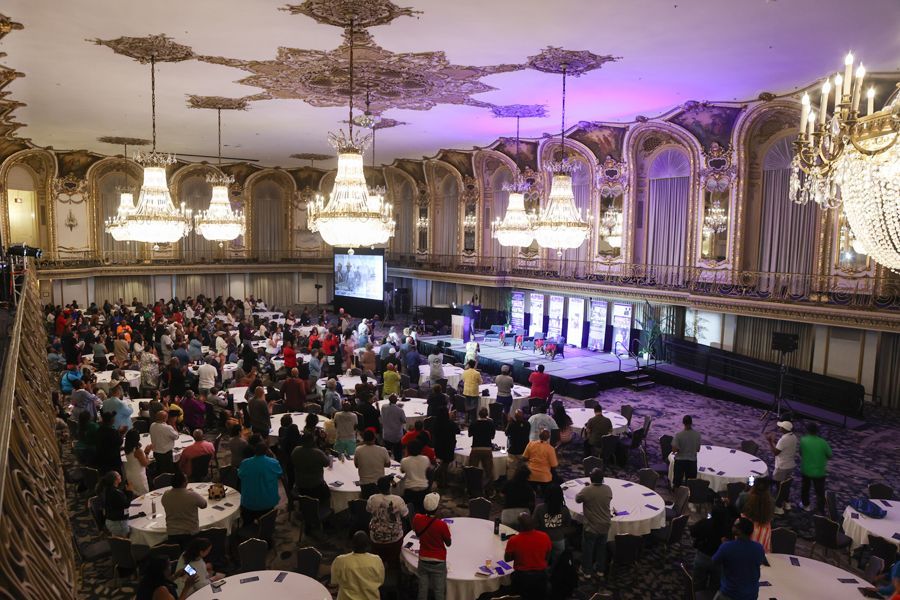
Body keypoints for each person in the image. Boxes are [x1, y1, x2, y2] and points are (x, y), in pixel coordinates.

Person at [711, 517, 765, 600]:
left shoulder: (727, 547)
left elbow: (714, 562)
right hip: (751, 595)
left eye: (735, 525)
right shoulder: (759, 547)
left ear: (739, 531)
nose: (732, 526)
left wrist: (723, 547)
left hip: (729, 594)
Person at [575, 468, 612, 580]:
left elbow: (577, 499)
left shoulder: (587, 490)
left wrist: (586, 488)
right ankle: (600, 570)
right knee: (602, 548)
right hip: (605, 524)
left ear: (591, 478)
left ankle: (587, 572)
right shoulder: (608, 489)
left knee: (588, 549)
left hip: (591, 526)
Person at [504, 512, 552, 600]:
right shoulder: (545, 536)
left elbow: (507, 559)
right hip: (541, 576)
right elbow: (548, 556)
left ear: (519, 526)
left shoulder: (514, 540)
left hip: (521, 577)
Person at [690, 495, 733, 591]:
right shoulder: (729, 529)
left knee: (697, 584)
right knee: (715, 586)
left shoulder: (705, 523)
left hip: (703, 556)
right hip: (720, 560)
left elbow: (693, 532)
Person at [413, 492, 452, 600]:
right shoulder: (441, 525)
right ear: (437, 507)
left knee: (422, 589)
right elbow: (448, 543)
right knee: (439, 591)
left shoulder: (417, 518)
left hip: (423, 559)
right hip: (438, 561)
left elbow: (417, 534)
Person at [366, 475, 409, 568]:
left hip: (376, 538)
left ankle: (379, 563)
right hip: (394, 539)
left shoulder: (372, 499)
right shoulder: (398, 500)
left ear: (378, 487)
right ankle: (394, 563)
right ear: (389, 486)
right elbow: (405, 515)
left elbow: (368, 511)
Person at [332, 531, 386, 600]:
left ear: (352, 544)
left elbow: (335, 582)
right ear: (367, 545)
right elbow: (381, 581)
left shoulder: (340, 560)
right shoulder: (377, 560)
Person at [237, 442, 282, 524]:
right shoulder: (274, 462)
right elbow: (279, 475)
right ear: (266, 451)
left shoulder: (245, 463)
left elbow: (240, 476)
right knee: (267, 525)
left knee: (247, 524)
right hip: (267, 503)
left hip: (248, 503)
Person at [161, 469, 208, 548]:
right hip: (190, 534)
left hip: (172, 534)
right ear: (183, 483)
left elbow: (164, 504)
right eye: (186, 480)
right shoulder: (192, 495)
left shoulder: (166, 494)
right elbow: (204, 505)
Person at [533, 485, 571, 568]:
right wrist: (560, 531)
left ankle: (544, 574)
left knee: (542, 561)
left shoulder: (539, 508)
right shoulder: (564, 509)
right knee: (557, 563)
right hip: (559, 539)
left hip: (543, 539)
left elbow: (534, 524)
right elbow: (568, 524)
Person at [799, 421, 831, 513]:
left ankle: (806, 505)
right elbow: (830, 455)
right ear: (817, 431)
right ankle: (821, 510)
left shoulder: (803, 440)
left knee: (805, 488)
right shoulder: (823, 442)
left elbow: (800, 453)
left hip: (806, 470)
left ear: (807, 430)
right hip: (820, 472)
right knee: (820, 492)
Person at [291, 433, 332, 505]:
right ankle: (324, 507)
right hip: (316, 486)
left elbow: (292, 461)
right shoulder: (317, 453)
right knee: (329, 493)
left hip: (300, 484)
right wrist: (327, 455)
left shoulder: (296, 450)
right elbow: (327, 463)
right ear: (313, 441)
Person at [766, 420, 797, 514]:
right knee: (785, 485)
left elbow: (776, 452)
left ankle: (778, 507)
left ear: (784, 429)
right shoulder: (793, 437)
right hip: (790, 465)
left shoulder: (783, 440)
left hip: (782, 467)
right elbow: (782, 447)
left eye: (780, 427)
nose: (779, 428)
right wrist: (775, 441)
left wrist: (770, 442)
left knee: (779, 487)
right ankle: (787, 503)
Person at [737, 477, 775, 552]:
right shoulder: (772, 501)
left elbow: (737, 510)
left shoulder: (744, 497)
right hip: (764, 531)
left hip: (746, 529)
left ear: (754, 485)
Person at [355, 430, 391, 499]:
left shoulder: (358, 450)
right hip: (379, 484)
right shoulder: (382, 450)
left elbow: (356, 465)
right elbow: (388, 464)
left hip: (365, 484)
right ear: (374, 438)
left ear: (363, 439)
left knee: (367, 503)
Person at [428, 406, 459, 487]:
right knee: (445, 464)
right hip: (448, 446)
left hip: (439, 446)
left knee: (443, 463)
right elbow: (458, 430)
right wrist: (452, 419)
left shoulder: (435, 423)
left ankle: (441, 479)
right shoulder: (450, 423)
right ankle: (440, 479)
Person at [97, 470, 134, 537]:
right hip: (118, 523)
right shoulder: (115, 493)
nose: (120, 476)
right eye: (119, 475)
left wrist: (126, 491)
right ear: (115, 480)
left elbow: (118, 500)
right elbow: (126, 505)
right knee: (126, 540)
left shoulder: (108, 489)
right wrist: (130, 492)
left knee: (117, 540)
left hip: (110, 520)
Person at [467, 406, 496, 491]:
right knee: (489, 472)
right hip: (487, 449)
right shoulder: (491, 424)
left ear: (478, 414)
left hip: (476, 448)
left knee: (473, 470)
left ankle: (473, 489)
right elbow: (492, 437)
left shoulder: (474, 423)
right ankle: (488, 489)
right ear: (487, 414)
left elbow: (469, 435)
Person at [523, 429, 558, 496]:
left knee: (530, 494)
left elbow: (524, 458)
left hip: (531, 475)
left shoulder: (531, 444)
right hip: (544, 477)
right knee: (546, 494)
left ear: (539, 435)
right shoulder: (550, 449)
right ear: (548, 437)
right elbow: (554, 465)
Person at [672, 414, 701, 489]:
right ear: (691, 423)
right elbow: (697, 449)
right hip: (692, 462)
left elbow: (674, 450)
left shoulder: (678, 435)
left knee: (677, 482)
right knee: (690, 483)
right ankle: (689, 496)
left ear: (683, 423)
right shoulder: (697, 435)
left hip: (680, 462)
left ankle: (677, 496)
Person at [401, 439, 432, 510]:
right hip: (424, 489)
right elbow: (429, 470)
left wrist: (406, 456)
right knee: (422, 509)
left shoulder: (405, 461)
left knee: (409, 510)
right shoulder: (425, 459)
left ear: (408, 450)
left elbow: (402, 471)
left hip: (410, 490)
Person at [150, 410, 180, 474]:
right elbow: (176, 436)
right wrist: (173, 425)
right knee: (168, 471)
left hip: (156, 452)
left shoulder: (152, 425)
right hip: (165, 454)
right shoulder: (167, 428)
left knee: (159, 470)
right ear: (165, 418)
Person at [123, 428, 151, 495]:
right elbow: (145, 463)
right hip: (138, 475)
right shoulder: (138, 451)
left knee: (134, 493)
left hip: (130, 473)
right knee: (144, 494)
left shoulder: (127, 448)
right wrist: (147, 453)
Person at [94, 410, 123, 475]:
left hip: (101, 460)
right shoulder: (113, 432)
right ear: (111, 421)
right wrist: (121, 433)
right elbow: (120, 442)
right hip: (113, 461)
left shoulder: (99, 430)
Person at [380, 394, 407, 462]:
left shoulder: (383, 407)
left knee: (386, 453)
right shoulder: (400, 410)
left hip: (386, 434)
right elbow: (404, 420)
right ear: (396, 401)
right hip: (396, 435)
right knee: (398, 455)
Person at [506, 409, 532, 479]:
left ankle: (510, 484)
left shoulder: (512, 424)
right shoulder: (527, 424)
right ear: (523, 416)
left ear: (515, 416)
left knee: (511, 469)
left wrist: (509, 422)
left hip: (513, 451)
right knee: (523, 470)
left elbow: (506, 433)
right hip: (524, 451)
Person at [461, 360, 482, 425]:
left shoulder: (465, 372)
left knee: (467, 406)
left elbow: (463, 380)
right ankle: (473, 422)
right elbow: (480, 382)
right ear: (474, 365)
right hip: (474, 392)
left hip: (466, 391)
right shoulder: (477, 373)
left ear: (469, 365)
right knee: (473, 408)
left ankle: (466, 420)